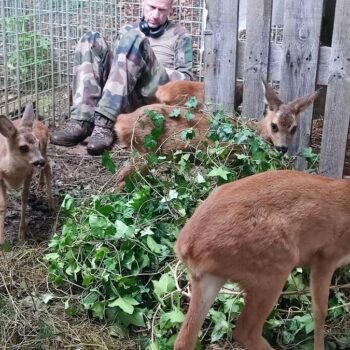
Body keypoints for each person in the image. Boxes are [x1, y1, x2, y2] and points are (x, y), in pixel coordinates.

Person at [50, 0, 193, 155]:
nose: (156, 15)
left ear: (170, 9)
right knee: (90, 39)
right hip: (125, 96)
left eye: (162, 10)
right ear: (142, 3)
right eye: (152, 7)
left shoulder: (181, 35)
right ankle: (82, 120)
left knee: (135, 38)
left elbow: (186, 80)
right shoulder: (128, 30)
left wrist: (150, 65)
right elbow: (118, 71)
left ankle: (105, 124)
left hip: (154, 96)